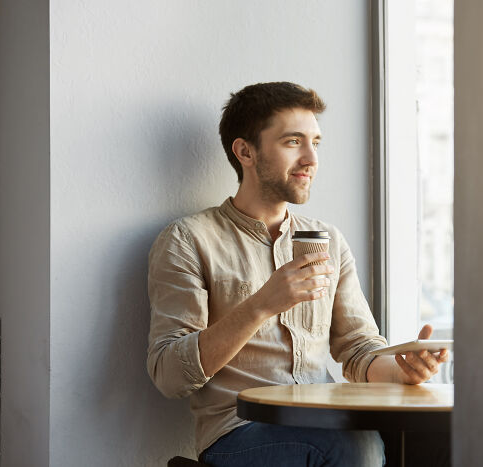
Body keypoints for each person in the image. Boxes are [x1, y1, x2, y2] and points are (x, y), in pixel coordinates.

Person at [146, 82, 449, 467]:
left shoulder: (329, 240)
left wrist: (403, 370)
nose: (311, 159)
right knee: (352, 448)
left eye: (316, 143)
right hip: (239, 432)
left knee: (442, 436)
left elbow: (358, 350)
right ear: (245, 152)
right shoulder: (189, 240)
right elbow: (169, 374)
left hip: (326, 418)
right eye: (293, 142)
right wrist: (260, 306)